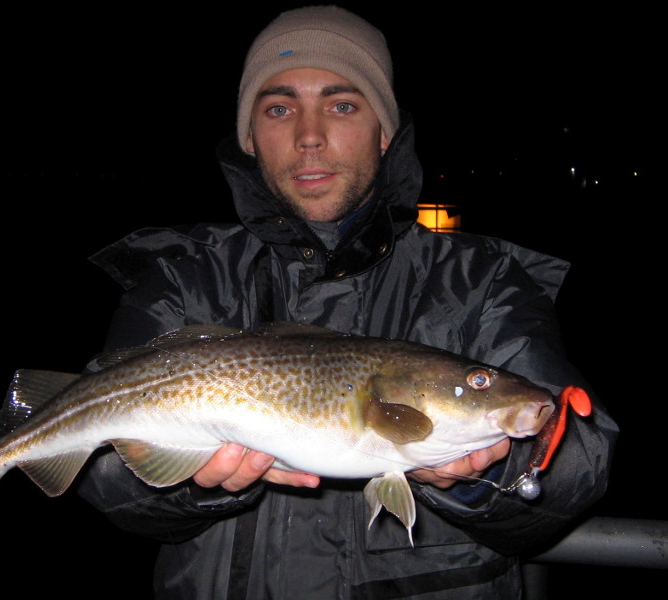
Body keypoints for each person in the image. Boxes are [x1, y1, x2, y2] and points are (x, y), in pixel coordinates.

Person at [76, 6, 617, 598]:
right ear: (250, 138)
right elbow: (99, 470)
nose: (310, 136)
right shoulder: (181, 281)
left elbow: (578, 461)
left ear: (384, 132)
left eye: (342, 105)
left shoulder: (482, 280)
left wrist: (488, 475)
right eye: (280, 109)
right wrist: (187, 483)